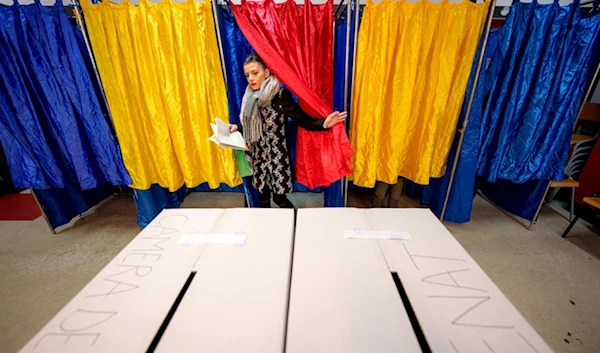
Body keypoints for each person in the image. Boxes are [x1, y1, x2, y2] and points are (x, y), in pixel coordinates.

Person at [230, 53, 347, 209]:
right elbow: (249, 123)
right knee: (262, 200)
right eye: (247, 75)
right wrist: (237, 126)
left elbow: (303, 120)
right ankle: (266, 231)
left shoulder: (280, 96)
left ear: (266, 72)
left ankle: (294, 228)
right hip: (258, 158)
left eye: (255, 73)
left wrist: (324, 123)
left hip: (277, 159)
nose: (251, 78)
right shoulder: (249, 97)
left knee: (280, 199)